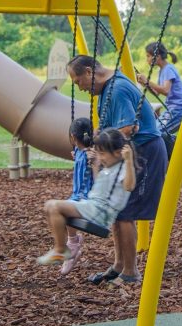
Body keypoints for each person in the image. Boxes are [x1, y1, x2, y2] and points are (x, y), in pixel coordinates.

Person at [67, 55, 169, 288]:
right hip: (128, 152)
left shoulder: (119, 88)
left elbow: (129, 127)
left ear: (90, 72)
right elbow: (108, 126)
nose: (80, 87)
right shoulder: (106, 89)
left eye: (78, 81)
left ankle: (131, 272)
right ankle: (119, 265)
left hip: (143, 152)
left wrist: (98, 144)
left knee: (125, 211)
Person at [36, 128, 136, 266]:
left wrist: (129, 161)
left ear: (118, 153)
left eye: (103, 154)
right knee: (49, 207)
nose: (100, 157)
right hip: (93, 206)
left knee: (53, 206)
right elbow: (98, 185)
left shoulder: (123, 168)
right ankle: (64, 246)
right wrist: (95, 165)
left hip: (100, 212)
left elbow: (129, 186)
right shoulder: (109, 167)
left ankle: (61, 249)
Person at [60, 117, 97, 276]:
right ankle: (72, 242)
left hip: (87, 200)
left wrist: (94, 163)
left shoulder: (92, 156)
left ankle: (73, 244)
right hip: (78, 197)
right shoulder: (78, 151)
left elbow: (99, 181)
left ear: (73, 138)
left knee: (61, 211)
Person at [138, 43, 182, 138]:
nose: (147, 59)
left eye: (148, 56)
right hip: (172, 109)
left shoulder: (168, 69)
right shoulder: (162, 70)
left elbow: (166, 90)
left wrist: (147, 81)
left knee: (156, 132)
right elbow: (157, 92)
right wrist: (144, 84)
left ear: (157, 56)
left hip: (178, 110)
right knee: (154, 130)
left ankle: (173, 146)